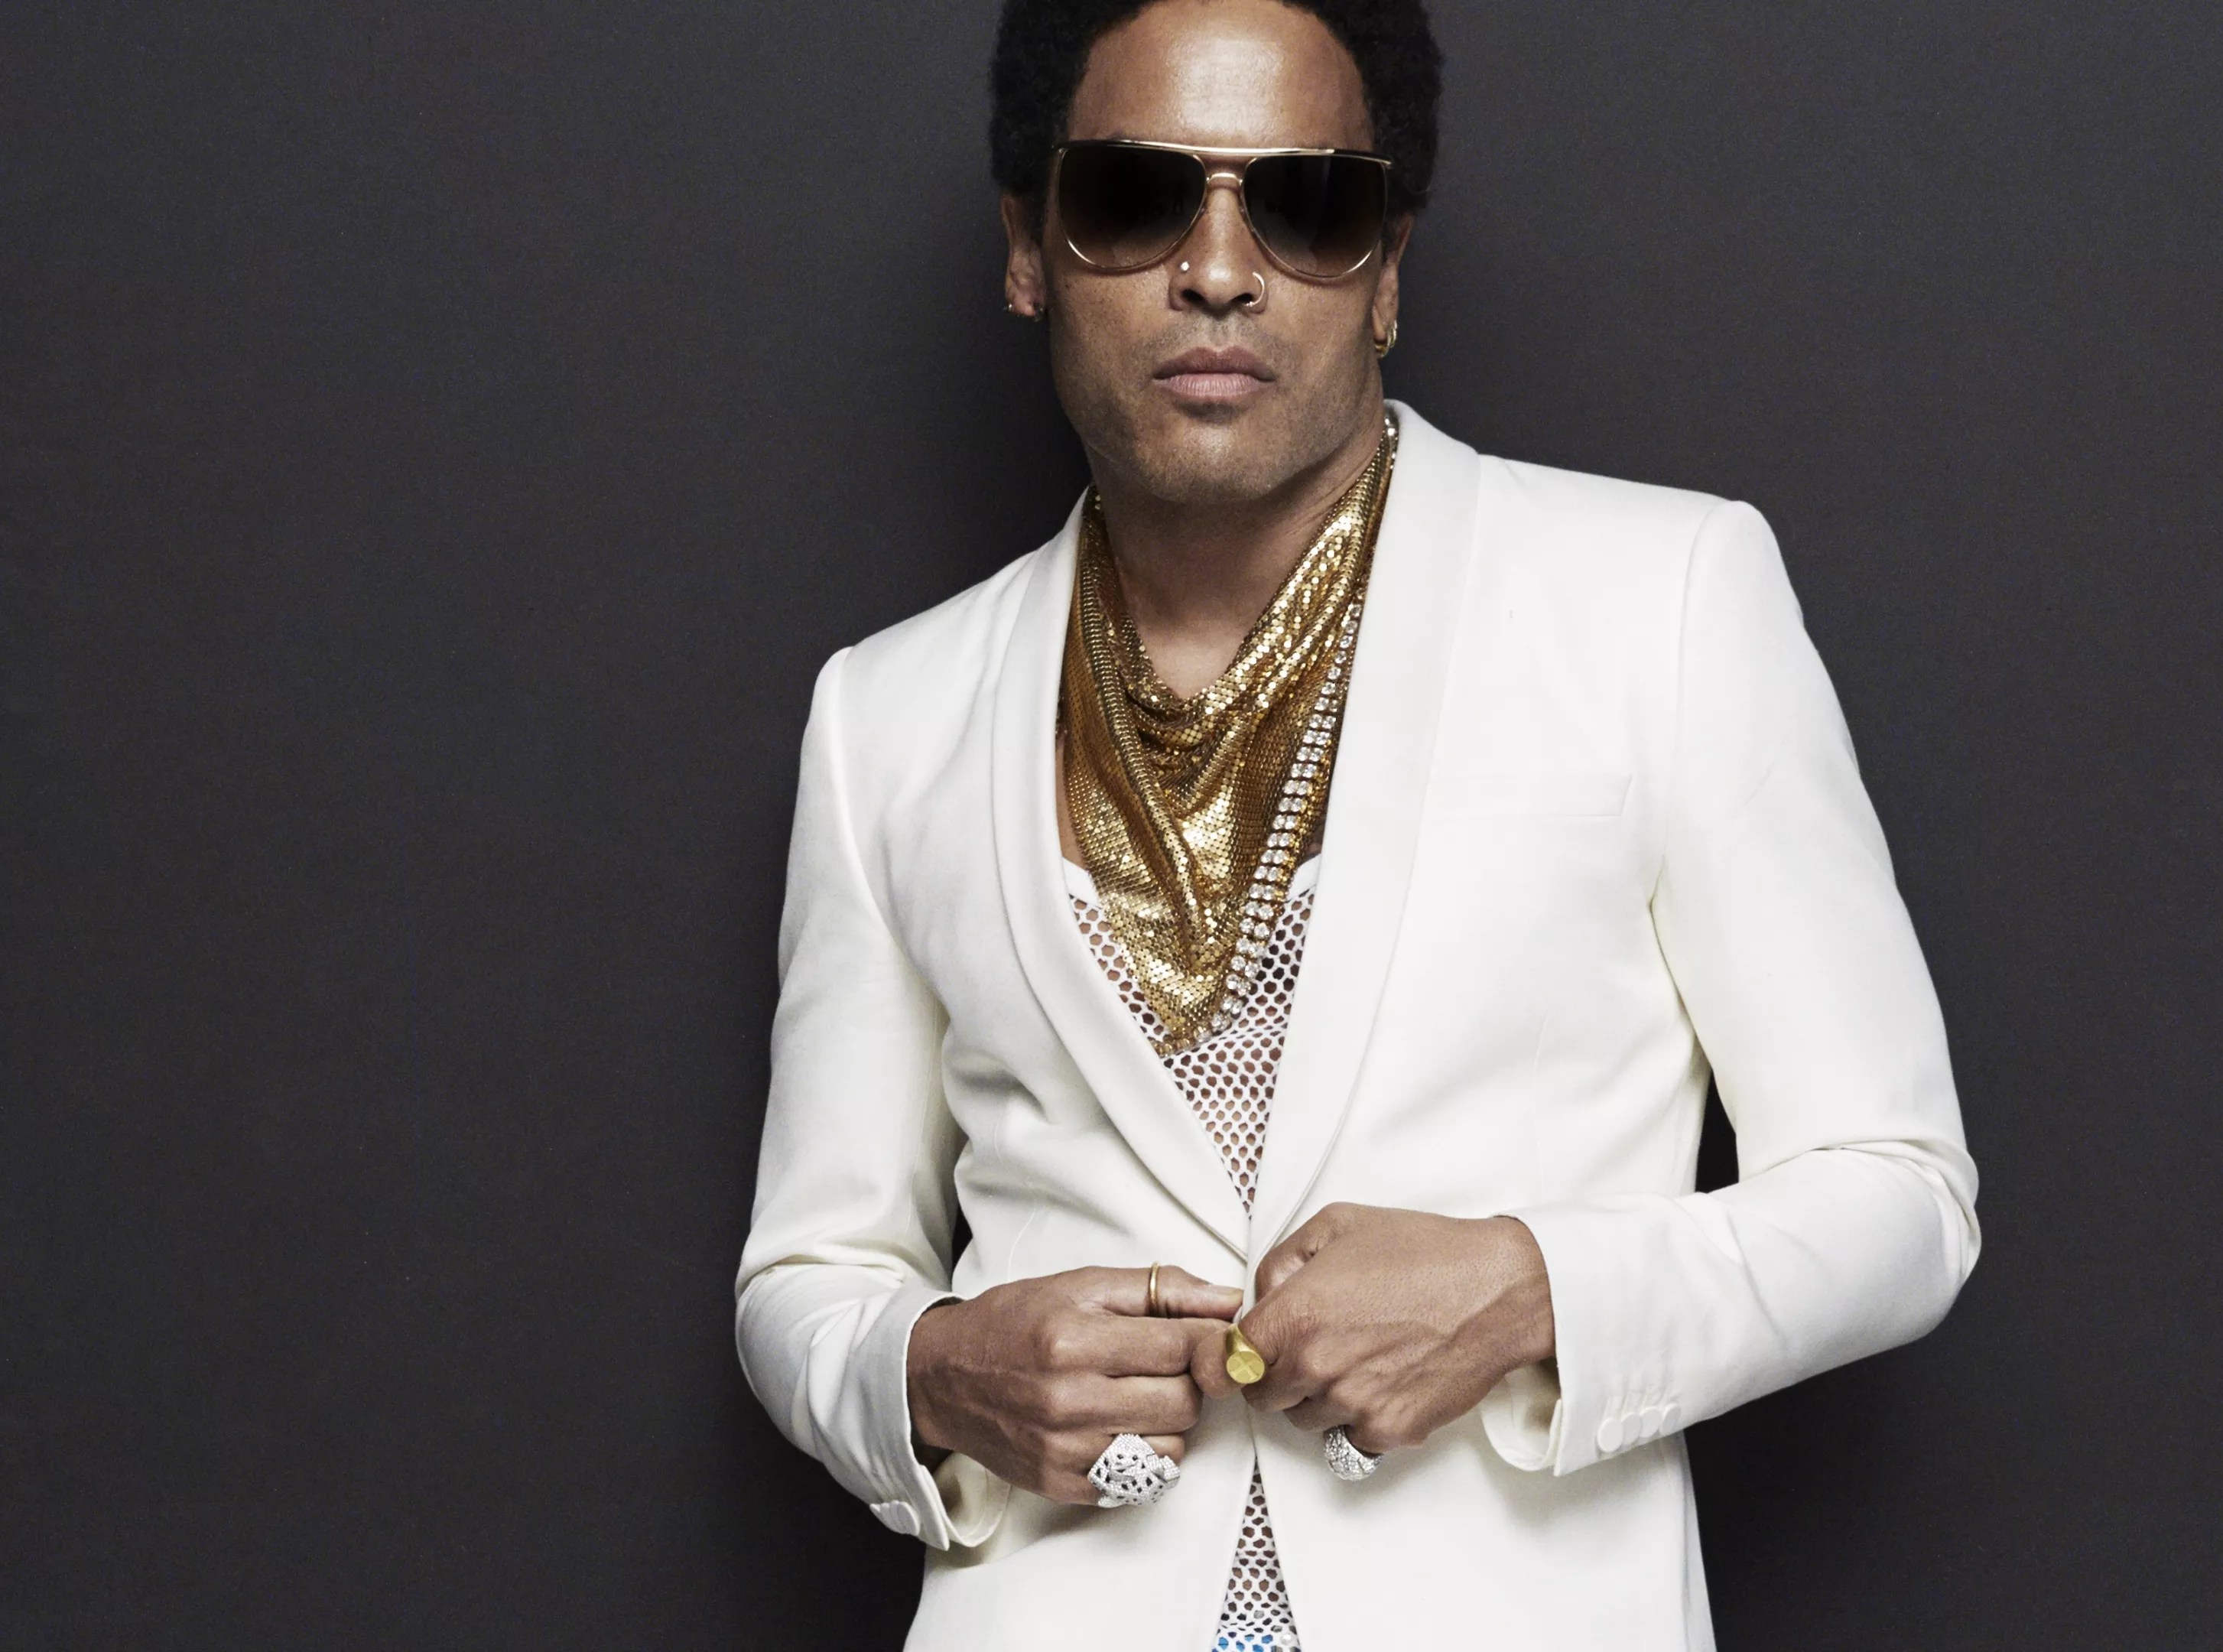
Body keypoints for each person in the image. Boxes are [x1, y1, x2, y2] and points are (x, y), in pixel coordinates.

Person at [734, 0, 1980, 1645]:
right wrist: (928, 1372)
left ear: (1386, 268)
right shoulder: (884, 713)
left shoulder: (1661, 600)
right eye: (1135, 198)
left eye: (1305, 205)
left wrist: (1528, 1290)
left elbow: (1896, 1197)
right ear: (1029, 247)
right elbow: (807, 1274)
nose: (1218, 271)